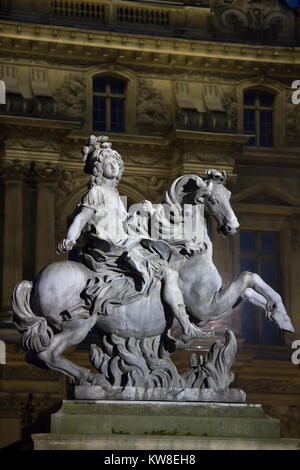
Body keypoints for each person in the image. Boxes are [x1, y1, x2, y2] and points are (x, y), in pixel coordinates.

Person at [57, 136, 207, 343]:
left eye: (117, 163)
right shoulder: (97, 192)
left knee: (164, 257)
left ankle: (166, 324)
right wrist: (71, 238)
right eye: (110, 163)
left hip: (122, 240)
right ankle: (184, 325)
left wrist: (142, 212)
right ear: (100, 168)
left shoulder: (115, 194)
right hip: (110, 245)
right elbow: (82, 217)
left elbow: (123, 221)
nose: (115, 166)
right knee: (168, 271)